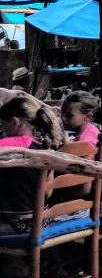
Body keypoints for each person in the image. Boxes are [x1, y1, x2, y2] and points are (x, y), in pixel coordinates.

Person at [0, 96, 64, 235]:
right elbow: (48, 191)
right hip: (43, 222)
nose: (3, 130)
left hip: (16, 225)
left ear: (14, 122)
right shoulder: (45, 146)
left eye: (3, 124)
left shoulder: (7, 145)